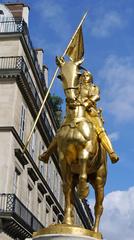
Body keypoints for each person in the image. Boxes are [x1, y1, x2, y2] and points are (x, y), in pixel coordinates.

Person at [78, 71, 119, 163]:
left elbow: (96, 96)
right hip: (78, 112)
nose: (85, 77)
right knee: (64, 127)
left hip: (90, 112)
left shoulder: (94, 87)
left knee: (100, 130)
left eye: (87, 76)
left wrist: (87, 102)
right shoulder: (78, 88)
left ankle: (111, 153)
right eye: (83, 76)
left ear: (91, 78)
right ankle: (49, 152)